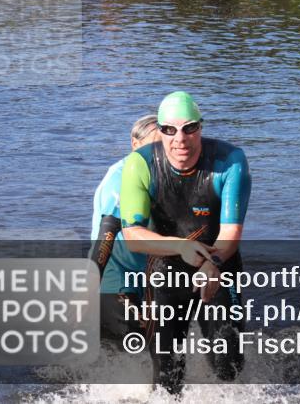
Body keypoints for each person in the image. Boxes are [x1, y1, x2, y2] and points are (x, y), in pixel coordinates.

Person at [120, 91, 251, 396]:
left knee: (228, 365)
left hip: (220, 266)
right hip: (165, 270)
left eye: (189, 128)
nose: (180, 139)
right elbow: (133, 236)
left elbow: (231, 232)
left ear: (200, 127)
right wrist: (180, 246)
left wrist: (212, 263)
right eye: (169, 130)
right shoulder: (140, 164)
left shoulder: (230, 161)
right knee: (167, 376)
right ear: (161, 131)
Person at [89, 115, 159, 340]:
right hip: (115, 271)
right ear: (135, 144)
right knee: (134, 338)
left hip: (149, 275)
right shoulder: (119, 178)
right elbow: (106, 234)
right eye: (154, 146)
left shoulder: (166, 175)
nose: (160, 153)